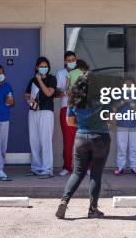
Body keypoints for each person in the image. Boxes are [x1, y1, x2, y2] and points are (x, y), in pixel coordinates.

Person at [56, 72, 110, 219]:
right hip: (100, 138)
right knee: (95, 174)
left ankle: (64, 201)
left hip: (81, 138)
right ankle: (93, 210)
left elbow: (70, 122)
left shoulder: (74, 100)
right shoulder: (104, 98)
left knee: (77, 173)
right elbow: (109, 118)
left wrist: (83, 124)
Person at [25, 57, 57, 179]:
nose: (43, 68)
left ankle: (47, 169)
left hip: (46, 112)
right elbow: (26, 94)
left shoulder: (51, 79)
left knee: (46, 140)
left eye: (45, 66)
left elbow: (49, 93)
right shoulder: (32, 80)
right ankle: (36, 167)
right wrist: (29, 99)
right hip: (33, 111)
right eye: (41, 66)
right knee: (34, 140)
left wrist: (40, 80)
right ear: (37, 67)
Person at [112, 77, 136, 176]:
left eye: (130, 85)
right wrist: (123, 101)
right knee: (121, 146)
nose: (128, 87)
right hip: (121, 124)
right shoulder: (119, 93)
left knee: (134, 147)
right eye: (126, 85)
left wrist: (133, 103)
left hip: (134, 124)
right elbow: (114, 107)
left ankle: (134, 166)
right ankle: (120, 167)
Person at [56, 51, 77, 177]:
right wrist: (65, 92)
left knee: (84, 140)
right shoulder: (60, 73)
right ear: (65, 61)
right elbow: (57, 93)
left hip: (80, 109)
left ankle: (85, 167)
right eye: (68, 60)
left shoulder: (81, 73)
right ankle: (67, 167)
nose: (71, 62)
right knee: (68, 141)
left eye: (73, 59)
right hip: (67, 108)